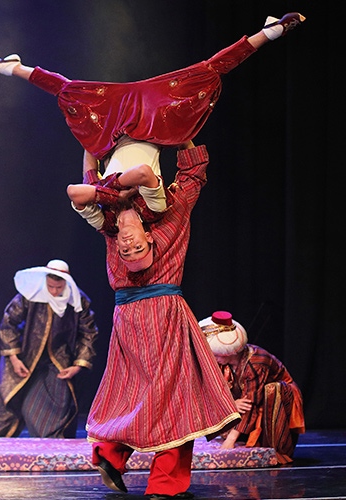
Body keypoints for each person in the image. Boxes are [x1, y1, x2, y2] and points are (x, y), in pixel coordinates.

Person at [83, 142, 241, 499]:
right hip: (164, 315)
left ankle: (111, 452)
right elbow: (193, 174)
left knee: (132, 392)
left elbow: (90, 182)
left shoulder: (112, 219)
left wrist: (92, 146)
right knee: (177, 398)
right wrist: (182, 136)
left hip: (127, 319)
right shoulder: (172, 212)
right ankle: (164, 483)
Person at [0, 12, 306, 168]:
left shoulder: (104, 196)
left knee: (69, 90)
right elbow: (190, 167)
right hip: (153, 116)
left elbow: (85, 182)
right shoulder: (153, 194)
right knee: (207, 71)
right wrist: (182, 136)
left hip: (113, 119)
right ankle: (269, 32)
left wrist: (92, 157)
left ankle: (11, 66)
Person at [0, 259, 99, 438]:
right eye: (50, 286)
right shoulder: (30, 295)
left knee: (59, 401)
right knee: (8, 398)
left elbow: (89, 333)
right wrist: (14, 357)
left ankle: (53, 443)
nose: (54, 291)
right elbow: (8, 323)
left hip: (58, 357)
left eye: (58, 287)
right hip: (25, 354)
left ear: (66, 283)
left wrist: (78, 364)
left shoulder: (78, 300)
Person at [199, 311, 305, 464]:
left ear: (228, 352)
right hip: (250, 404)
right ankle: (243, 435)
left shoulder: (256, 362)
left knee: (272, 390)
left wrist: (230, 441)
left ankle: (275, 449)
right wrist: (231, 404)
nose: (213, 359)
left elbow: (250, 403)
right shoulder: (226, 363)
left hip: (275, 403)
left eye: (215, 355)